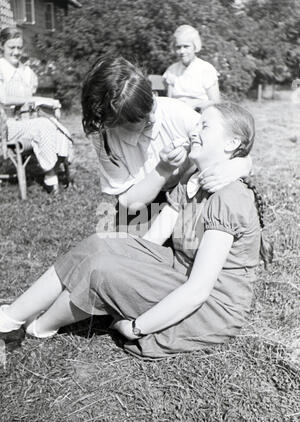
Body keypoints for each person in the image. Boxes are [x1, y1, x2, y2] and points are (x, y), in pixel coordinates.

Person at [0, 102, 273, 359]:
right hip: (179, 271)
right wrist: (121, 258)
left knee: (104, 269)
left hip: (213, 304)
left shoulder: (229, 197)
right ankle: (11, 318)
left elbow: (199, 289)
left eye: (205, 126)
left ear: (232, 143)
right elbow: (152, 243)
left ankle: (40, 327)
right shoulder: (191, 179)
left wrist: (137, 327)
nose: (194, 131)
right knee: (101, 245)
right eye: (197, 124)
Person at [82, 56, 248, 219]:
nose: (153, 119)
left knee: (194, 234)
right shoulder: (105, 139)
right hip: (145, 202)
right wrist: (163, 169)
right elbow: (129, 203)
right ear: (113, 123)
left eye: (152, 106)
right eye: (141, 119)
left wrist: (238, 165)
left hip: (191, 189)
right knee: (127, 241)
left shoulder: (174, 111)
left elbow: (230, 143)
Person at [0, 27, 73, 193]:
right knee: (43, 126)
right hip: (6, 126)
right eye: (11, 47)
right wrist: (37, 99)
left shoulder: (27, 72)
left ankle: (58, 170)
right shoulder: (1, 69)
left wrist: (50, 104)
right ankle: (50, 176)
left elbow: (30, 104)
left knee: (55, 125)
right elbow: (4, 99)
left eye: (19, 47)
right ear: (2, 46)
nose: (16, 52)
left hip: (26, 122)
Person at [163, 25, 220, 112]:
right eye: (178, 47)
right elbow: (169, 100)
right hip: (176, 114)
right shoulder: (172, 70)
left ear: (195, 47)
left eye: (186, 46)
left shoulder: (206, 69)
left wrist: (196, 106)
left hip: (199, 114)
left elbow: (215, 102)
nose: (182, 51)